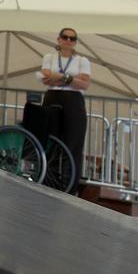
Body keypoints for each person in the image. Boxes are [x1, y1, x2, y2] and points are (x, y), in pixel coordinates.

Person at [39, 27, 91, 176]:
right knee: (50, 141)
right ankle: (47, 178)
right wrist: (72, 79)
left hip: (73, 101)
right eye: (65, 37)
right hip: (52, 97)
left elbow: (85, 84)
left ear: (75, 42)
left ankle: (69, 183)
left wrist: (60, 77)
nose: (68, 40)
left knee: (72, 143)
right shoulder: (49, 57)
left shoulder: (82, 60)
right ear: (59, 39)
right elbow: (47, 78)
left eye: (72, 38)